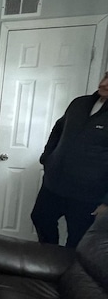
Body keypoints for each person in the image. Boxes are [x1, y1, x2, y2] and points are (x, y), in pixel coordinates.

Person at [31, 70, 108, 247]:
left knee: (78, 238)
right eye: (105, 77)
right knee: (40, 218)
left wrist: (106, 201)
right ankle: (48, 258)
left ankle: (65, 271)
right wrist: (47, 158)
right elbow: (58, 129)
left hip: (88, 194)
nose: (104, 84)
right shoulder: (79, 103)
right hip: (54, 184)